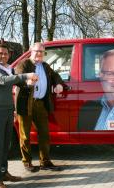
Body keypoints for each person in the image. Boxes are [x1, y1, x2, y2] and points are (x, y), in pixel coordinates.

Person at [0, 43, 38, 188]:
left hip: (7, 110)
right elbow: (3, 80)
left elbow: (18, 83)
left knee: (6, 143)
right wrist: (26, 75)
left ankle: (4, 172)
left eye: (6, 53)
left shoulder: (8, 69)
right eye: (0, 53)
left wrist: (28, 83)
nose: (3, 56)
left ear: (9, 55)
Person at [15, 42, 66, 172]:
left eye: (42, 52)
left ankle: (45, 162)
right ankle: (27, 162)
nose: (39, 54)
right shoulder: (24, 64)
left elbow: (55, 75)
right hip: (26, 103)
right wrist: (27, 82)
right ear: (31, 51)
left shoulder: (45, 66)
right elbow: (17, 78)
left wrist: (59, 84)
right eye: (37, 51)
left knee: (44, 134)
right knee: (25, 135)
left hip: (41, 104)